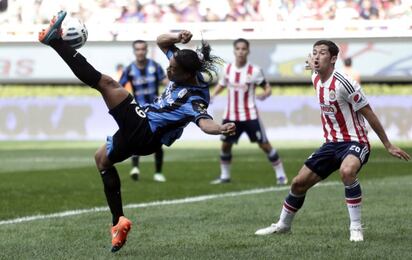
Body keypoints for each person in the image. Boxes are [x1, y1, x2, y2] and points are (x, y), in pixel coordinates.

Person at [38, 11, 236, 253]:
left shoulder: (195, 98)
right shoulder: (183, 66)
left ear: (187, 75)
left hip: (146, 131)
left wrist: (221, 128)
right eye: (169, 65)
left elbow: (205, 122)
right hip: (143, 133)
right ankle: (118, 222)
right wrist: (178, 36)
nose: (168, 70)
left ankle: (55, 41)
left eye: (173, 70)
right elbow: (162, 41)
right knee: (101, 160)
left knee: (106, 84)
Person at [255, 40, 411, 242]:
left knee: (347, 172)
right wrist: (312, 62)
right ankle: (283, 225)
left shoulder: (345, 84)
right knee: (298, 184)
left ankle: (355, 227)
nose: (317, 56)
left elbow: (369, 114)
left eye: (322, 53)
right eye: (314, 53)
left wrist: (388, 144)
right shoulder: (316, 79)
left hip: (356, 141)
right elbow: (313, 66)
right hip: (331, 144)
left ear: (334, 58)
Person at [210, 38, 288, 185]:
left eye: (243, 49)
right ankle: (225, 176)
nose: (240, 51)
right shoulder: (227, 69)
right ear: (234, 51)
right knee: (226, 145)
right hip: (230, 115)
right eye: (238, 49)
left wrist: (265, 94)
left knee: (264, 145)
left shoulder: (255, 71)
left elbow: (267, 87)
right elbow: (222, 84)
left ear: (248, 51)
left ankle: (281, 175)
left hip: (250, 115)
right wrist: (213, 95)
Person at [119, 40, 169, 182]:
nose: (140, 52)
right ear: (134, 51)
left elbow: (167, 83)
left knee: (158, 139)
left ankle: (158, 172)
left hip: (155, 109)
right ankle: (135, 167)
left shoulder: (155, 67)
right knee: (136, 138)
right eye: (138, 49)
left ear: (146, 50)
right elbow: (119, 87)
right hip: (138, 109)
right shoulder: (129, 69)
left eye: (143, 49)